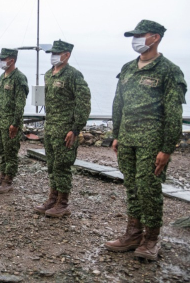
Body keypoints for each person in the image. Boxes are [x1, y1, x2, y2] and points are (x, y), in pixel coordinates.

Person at [106, 20, 187, 260]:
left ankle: (151, 239)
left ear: (156, 37)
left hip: (152, 142)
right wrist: (117, 134)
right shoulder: (129, 68)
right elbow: (118, 103)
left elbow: (173, 113)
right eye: (134, 35)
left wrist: (167, 147)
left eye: (141, 35)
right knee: (131, 186)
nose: (136, 39)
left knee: (148, 189)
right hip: (127, 138)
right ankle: (133, 234)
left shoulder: (169, 70)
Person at [34, 40, 91, 217]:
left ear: (67, 55)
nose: (53, 56)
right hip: (51, 127)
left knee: (63, 166)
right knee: (52, 165)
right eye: (52, 53)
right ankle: (53, 198)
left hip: (66, 130)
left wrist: (75, 129)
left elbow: (83, 104)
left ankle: (63, 204)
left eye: (57, 53)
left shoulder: (74, 75)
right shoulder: (48, 74)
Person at [0, 48, 28, 193]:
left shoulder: (19, 78)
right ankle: (2, 176)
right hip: (0, 121)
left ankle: (8, 180)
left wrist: (15, 124)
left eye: (4, 59)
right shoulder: (2, 77)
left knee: (10, 152)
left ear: (12, 60)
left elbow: (20, 104)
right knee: (2, 150)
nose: (1, 62)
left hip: (11, 123)